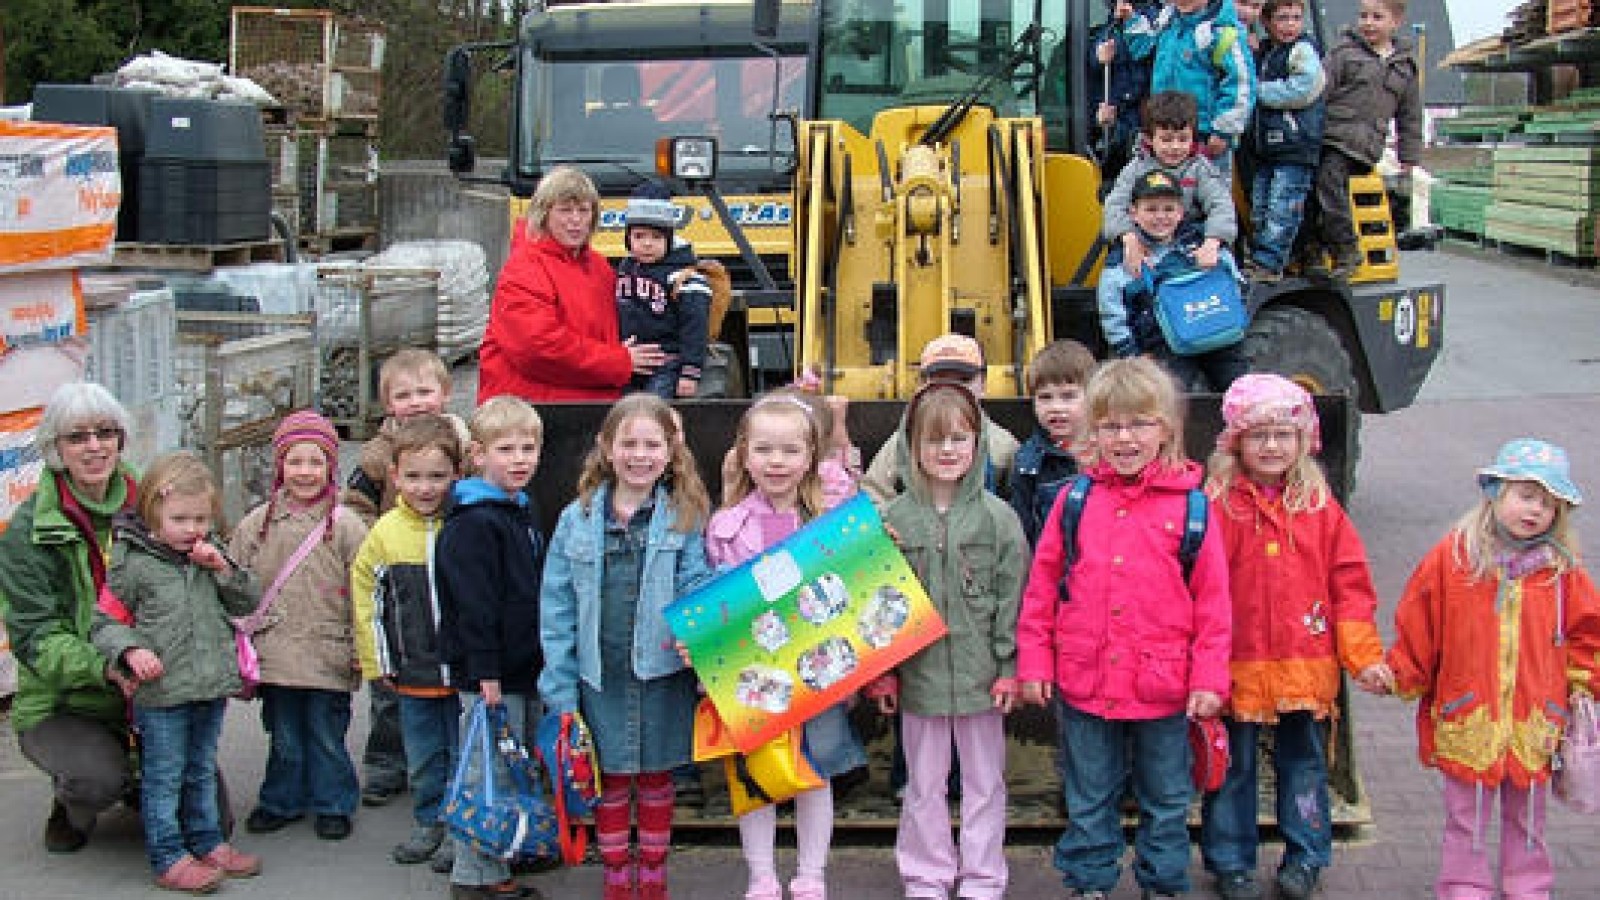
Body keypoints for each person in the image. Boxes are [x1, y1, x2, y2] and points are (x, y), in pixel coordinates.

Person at [1016, 357, 1232, 900]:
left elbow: (1213, 606)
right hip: (1086, 685)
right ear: (1093, 431)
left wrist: (1210, 680)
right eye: (1111, 425)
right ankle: (1090, 882)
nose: (1125, 437)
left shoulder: (1193, 510)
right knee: (1089, 797)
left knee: (1166, 799)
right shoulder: (1074, 501)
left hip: (1165, 691)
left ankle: (1163, 884)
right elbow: (1042, 589)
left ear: (1166, 430)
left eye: (1139, 424)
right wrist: (1036, 661)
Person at [1197, 375, 1392, 900]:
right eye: (1258, 434)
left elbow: (1350, 586)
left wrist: (1363, 657)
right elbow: (1200, 586)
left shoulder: (1321, 509)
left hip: (1305, 665)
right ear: (1236, 440)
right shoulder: (1217, 504)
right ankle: (1230, 861)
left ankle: (1305, 855)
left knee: (1303, 766)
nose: (1270, 446)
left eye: (1283, 434)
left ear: (1303, 439)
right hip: (1237, 665)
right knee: (1231, 768)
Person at [1389, 438, 1600, 900]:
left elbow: (1588, 631)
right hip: (1470, 711)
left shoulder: (1563, 571)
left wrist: (1584, 682)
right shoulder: (1454, 558)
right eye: (1526, 496)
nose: (1535, 510)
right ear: (1496, 493)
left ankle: (1528, 883)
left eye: (1548, 504)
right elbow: (1420, 618)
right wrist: (1406, 671)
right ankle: (1464, 882)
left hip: (1534, 717)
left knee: (1528, 815)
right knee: (1466, 811)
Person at [539, 394, 715, 900]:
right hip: (601, 674)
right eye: (629, 443)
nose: (640, 454)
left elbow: (698, 585)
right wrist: (561, 683)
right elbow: (557, 605)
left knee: (658, 776)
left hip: (661, 673)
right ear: (606, 448)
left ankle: (654, 866)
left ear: (671, 450)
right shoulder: (577, 519)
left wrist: (703, 645)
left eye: (652, 444)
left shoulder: (685, 515)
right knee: (609, 778)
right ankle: (616, 867)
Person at [705, 392, 869, 900]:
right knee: (757, 777)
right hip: (754, 674)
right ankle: (761, 876)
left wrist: (835, 422)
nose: (777, 462)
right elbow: (714, 603)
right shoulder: (724, 526)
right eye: (765, 450)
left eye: (790, 451)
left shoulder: (831, 515)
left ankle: (811, 873)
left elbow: (853, 575)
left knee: (813, 768)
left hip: (818, 667)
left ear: (811, 456)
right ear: (745, 455)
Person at [870, 382, 1029, 900]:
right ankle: (926, 875)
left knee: (985, 785)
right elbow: (875, 611)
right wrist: (882, 674)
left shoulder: (999, 520)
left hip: (984, 678)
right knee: (922, 786)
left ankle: (983, 877)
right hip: (919, 680)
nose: (946, 451)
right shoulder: (890, 522)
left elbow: (1013, 600)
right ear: (909, 445)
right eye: (933, 440)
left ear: (979, 443)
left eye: (960, 438)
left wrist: (1010, 667)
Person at [91, 452, 263, 893]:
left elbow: (246, 602)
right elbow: (103, 622)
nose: (192, 529)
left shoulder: (210, 555)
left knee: (201, 767)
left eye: (201, 518)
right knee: (164, 774)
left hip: (208, 685)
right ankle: (168, 854)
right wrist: (129, 651)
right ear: (153, 514)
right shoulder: (133, 563)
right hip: (162, 691)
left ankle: (207, 841)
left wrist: (223, 568)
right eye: (180, 518)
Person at [0, 383, 140, 853]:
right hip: (65, 702)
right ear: (55, 448)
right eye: (77, 437)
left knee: (211, 823)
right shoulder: (26, 533)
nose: (95, 446)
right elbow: (35, 637)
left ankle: (138, 779)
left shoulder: (152, 504)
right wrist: (107, 666)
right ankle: (74, 797)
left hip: (147, 690)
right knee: (98, 780)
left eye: (106, 432)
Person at [229, 410, 369, 842]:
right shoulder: (258, 523)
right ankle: (282, 799)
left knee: (327, 733)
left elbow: (365, 590)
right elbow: (235, 579)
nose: (305, 472)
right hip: (276, 654)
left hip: (329, 649)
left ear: (331, 465)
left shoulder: (346, 525)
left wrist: (362, 649)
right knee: (284, 733)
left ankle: (333, 802)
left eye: (315, 462)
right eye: (295, 461)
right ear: (280, 466)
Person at [344, 347, 471, 812]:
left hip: (441, 559)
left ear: (445, 393)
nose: (416, 401)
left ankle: (451, 777)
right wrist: (369, 537)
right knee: (390, 697)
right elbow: (354, 500)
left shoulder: (460, 441)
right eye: (404, 394)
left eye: (425, 391)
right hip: (397, 560)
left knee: (443, 695)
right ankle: (385, 765)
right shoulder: (378, 454)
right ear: (387, 403)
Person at [433, 396, 548, 900]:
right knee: (487, 773)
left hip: (520, 666)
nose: (520, 458)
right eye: (506, 449)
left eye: (529, 447)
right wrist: (485, 673)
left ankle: (501, 861)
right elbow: (473, 606)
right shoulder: (474, 522)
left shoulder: (517, 509)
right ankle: (473, 877)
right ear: (478, 455)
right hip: (490, 673)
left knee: (510, 767)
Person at [350, 415, 464, 870]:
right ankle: (428, 821)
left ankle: (460, 828)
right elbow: (367, 602)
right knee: (422, 757)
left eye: (437, 476)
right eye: (413, 477)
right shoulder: (384, 534)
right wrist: (379, 662)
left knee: (462, 754)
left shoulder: (464, 524)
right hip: (412, 670)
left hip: (461, 674)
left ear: (457, 475)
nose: (425, 488)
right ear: (395, 476)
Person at [477, 165, 666, 403]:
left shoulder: (599, 267)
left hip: (588, 401)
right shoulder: (524, 268)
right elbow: (536, 349)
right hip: (532, 412)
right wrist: (618, 361)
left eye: (583, 210)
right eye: (565, 210)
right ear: (544, 214)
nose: (575, 220)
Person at [1098, 169, 1249, 393]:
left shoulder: (1203, 244)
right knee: (1170, 396)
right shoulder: (1123, 261)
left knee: (1243, 391)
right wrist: (1132, 354)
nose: (1161, 217)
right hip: (1166, 348)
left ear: (1181, 212)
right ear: (1133, 213)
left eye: (1169, 209)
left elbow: (1235, 283)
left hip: (1220, 340)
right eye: (1151, 209)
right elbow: (1112, 311)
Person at [1305, 0, 1422, 280]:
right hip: (1331, 137)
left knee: (1329, 181)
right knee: (1311, 185)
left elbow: (1410, 116)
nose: (1368, 23)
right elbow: (1319, 91)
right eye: (1364, 16)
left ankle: (1346, 249)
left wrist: (1409, 157)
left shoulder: (1404, 68)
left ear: (1396, 22)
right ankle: (1313, 248)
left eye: (1377, 17)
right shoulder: (1343, 54)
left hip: (1363, 148)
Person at [861, 333, 1020, 504]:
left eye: (963, 380)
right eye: (940, 381)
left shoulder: (1003, 447)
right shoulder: (903, 441)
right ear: (922, 385)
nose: (953, 390)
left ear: (983, 384)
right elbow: (872, 495)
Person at [1101, 91, 1238, 281]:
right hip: (1145, 239)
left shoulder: (1200, 168)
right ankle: (1117, 312)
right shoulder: (1135, 169)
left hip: (1189, 239)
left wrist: (1212, 243)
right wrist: (1129, 239)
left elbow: (1221, 205)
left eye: (1182, 139)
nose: (1175, 147)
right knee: (1113, 277)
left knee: (1226, 264)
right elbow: (1114, 205)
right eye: (1166, 139)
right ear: (1149, 139)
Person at [1119, 0, 1255, 176]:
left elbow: (1241, 83)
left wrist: (1224, 131)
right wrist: (1131, 20)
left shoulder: (1223, 32)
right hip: (1164, 131)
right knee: (1163, 194)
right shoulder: (1167, 20)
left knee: (1210, 196)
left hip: (1205, 138)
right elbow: (1142, 47)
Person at [1241, 0, 1326, 283]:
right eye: (1282, 18)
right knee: (1261, 207)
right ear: (1266, 22)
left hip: (1294, 146)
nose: (1290, 25)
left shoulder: (1302, 51)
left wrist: (1258, 91)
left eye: (1295, 18)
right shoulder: (1268, 53)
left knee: (1282, 206)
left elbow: (1305, 88)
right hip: (1269, 147)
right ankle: (1263, 257)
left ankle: (1269, 263)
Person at [616, 181, 713, 400]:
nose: (647, 244)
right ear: (628, 238)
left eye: (656, 237)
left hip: (667, 364)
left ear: (669, 240)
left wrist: (690, 372)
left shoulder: (684, 278)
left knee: (654, 410)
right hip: (628, 362)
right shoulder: (623, 271)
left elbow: (695, 326)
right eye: (639, 236)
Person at [1009, 339, 1097, 547]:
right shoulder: (1028, 463)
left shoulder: (1113, 452)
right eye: (1045, 398)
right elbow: (1023, 531)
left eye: (1068, 397)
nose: (1056, 407)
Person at [1088, 1, 1161, 184]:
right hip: (1114, 124)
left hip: (1143, 123)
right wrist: (1098, 57)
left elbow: (1148, 55)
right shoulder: (1109, 28)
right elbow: (1093, 70)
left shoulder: (1158, 21)